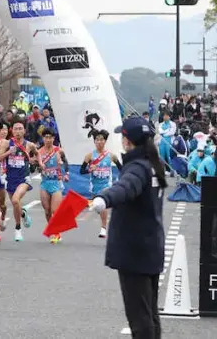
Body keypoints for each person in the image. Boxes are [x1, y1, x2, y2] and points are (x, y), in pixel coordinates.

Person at [88, 117, 167, 339]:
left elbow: (125, 187)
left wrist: (103, 198)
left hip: (135, 251)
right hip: (150, 247)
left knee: (140, 319)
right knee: (149, 315)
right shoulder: (153, 164)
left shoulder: (137, 167)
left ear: (127, 141)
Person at [34, 127, 67, 244]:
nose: (48, 140)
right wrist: (39, 166)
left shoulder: (59, 151)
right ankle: (53, 228)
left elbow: (65, 161)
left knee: (54, 210)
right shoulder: (39, 152)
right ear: (43, 138)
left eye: (50, 137)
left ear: (53, 138)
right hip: (45, 183)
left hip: (56, 183)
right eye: (46, 137)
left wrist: (66, 173)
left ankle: (56, 232)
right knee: (47, 210)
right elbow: (34, 166)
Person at [83, 129, 117, 239]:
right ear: (94, 142)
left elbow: (122, 167)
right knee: (98, 207)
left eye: (101, 139)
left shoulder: (111, 156)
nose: (99, 142)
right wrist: (90, 169)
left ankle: (103, 228)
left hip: (106, 185)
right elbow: (81, 171)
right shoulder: (89, 156)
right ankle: (95, 205)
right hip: (94, 186)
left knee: (102, 204)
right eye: (97, 140)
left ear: (105, 141)